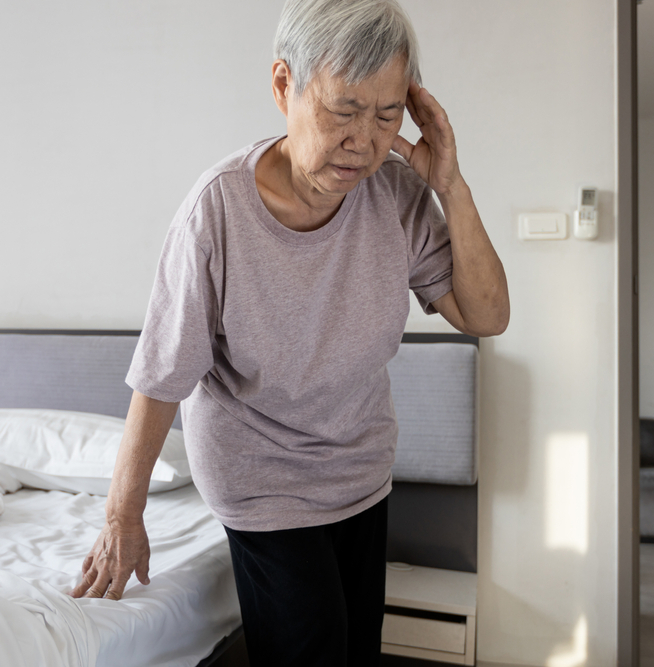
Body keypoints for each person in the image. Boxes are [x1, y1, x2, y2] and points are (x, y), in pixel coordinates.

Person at [71, 0, 509, 664]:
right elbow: (162, 377)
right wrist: (121, 518)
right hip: (260, 477)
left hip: (360, 468)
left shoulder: (394, 193)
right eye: (344, 109)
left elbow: (486, 315)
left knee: (356, 648)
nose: (364, 139)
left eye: (388, 115)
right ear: (284, 85)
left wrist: (451, 185)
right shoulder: (217, 212)